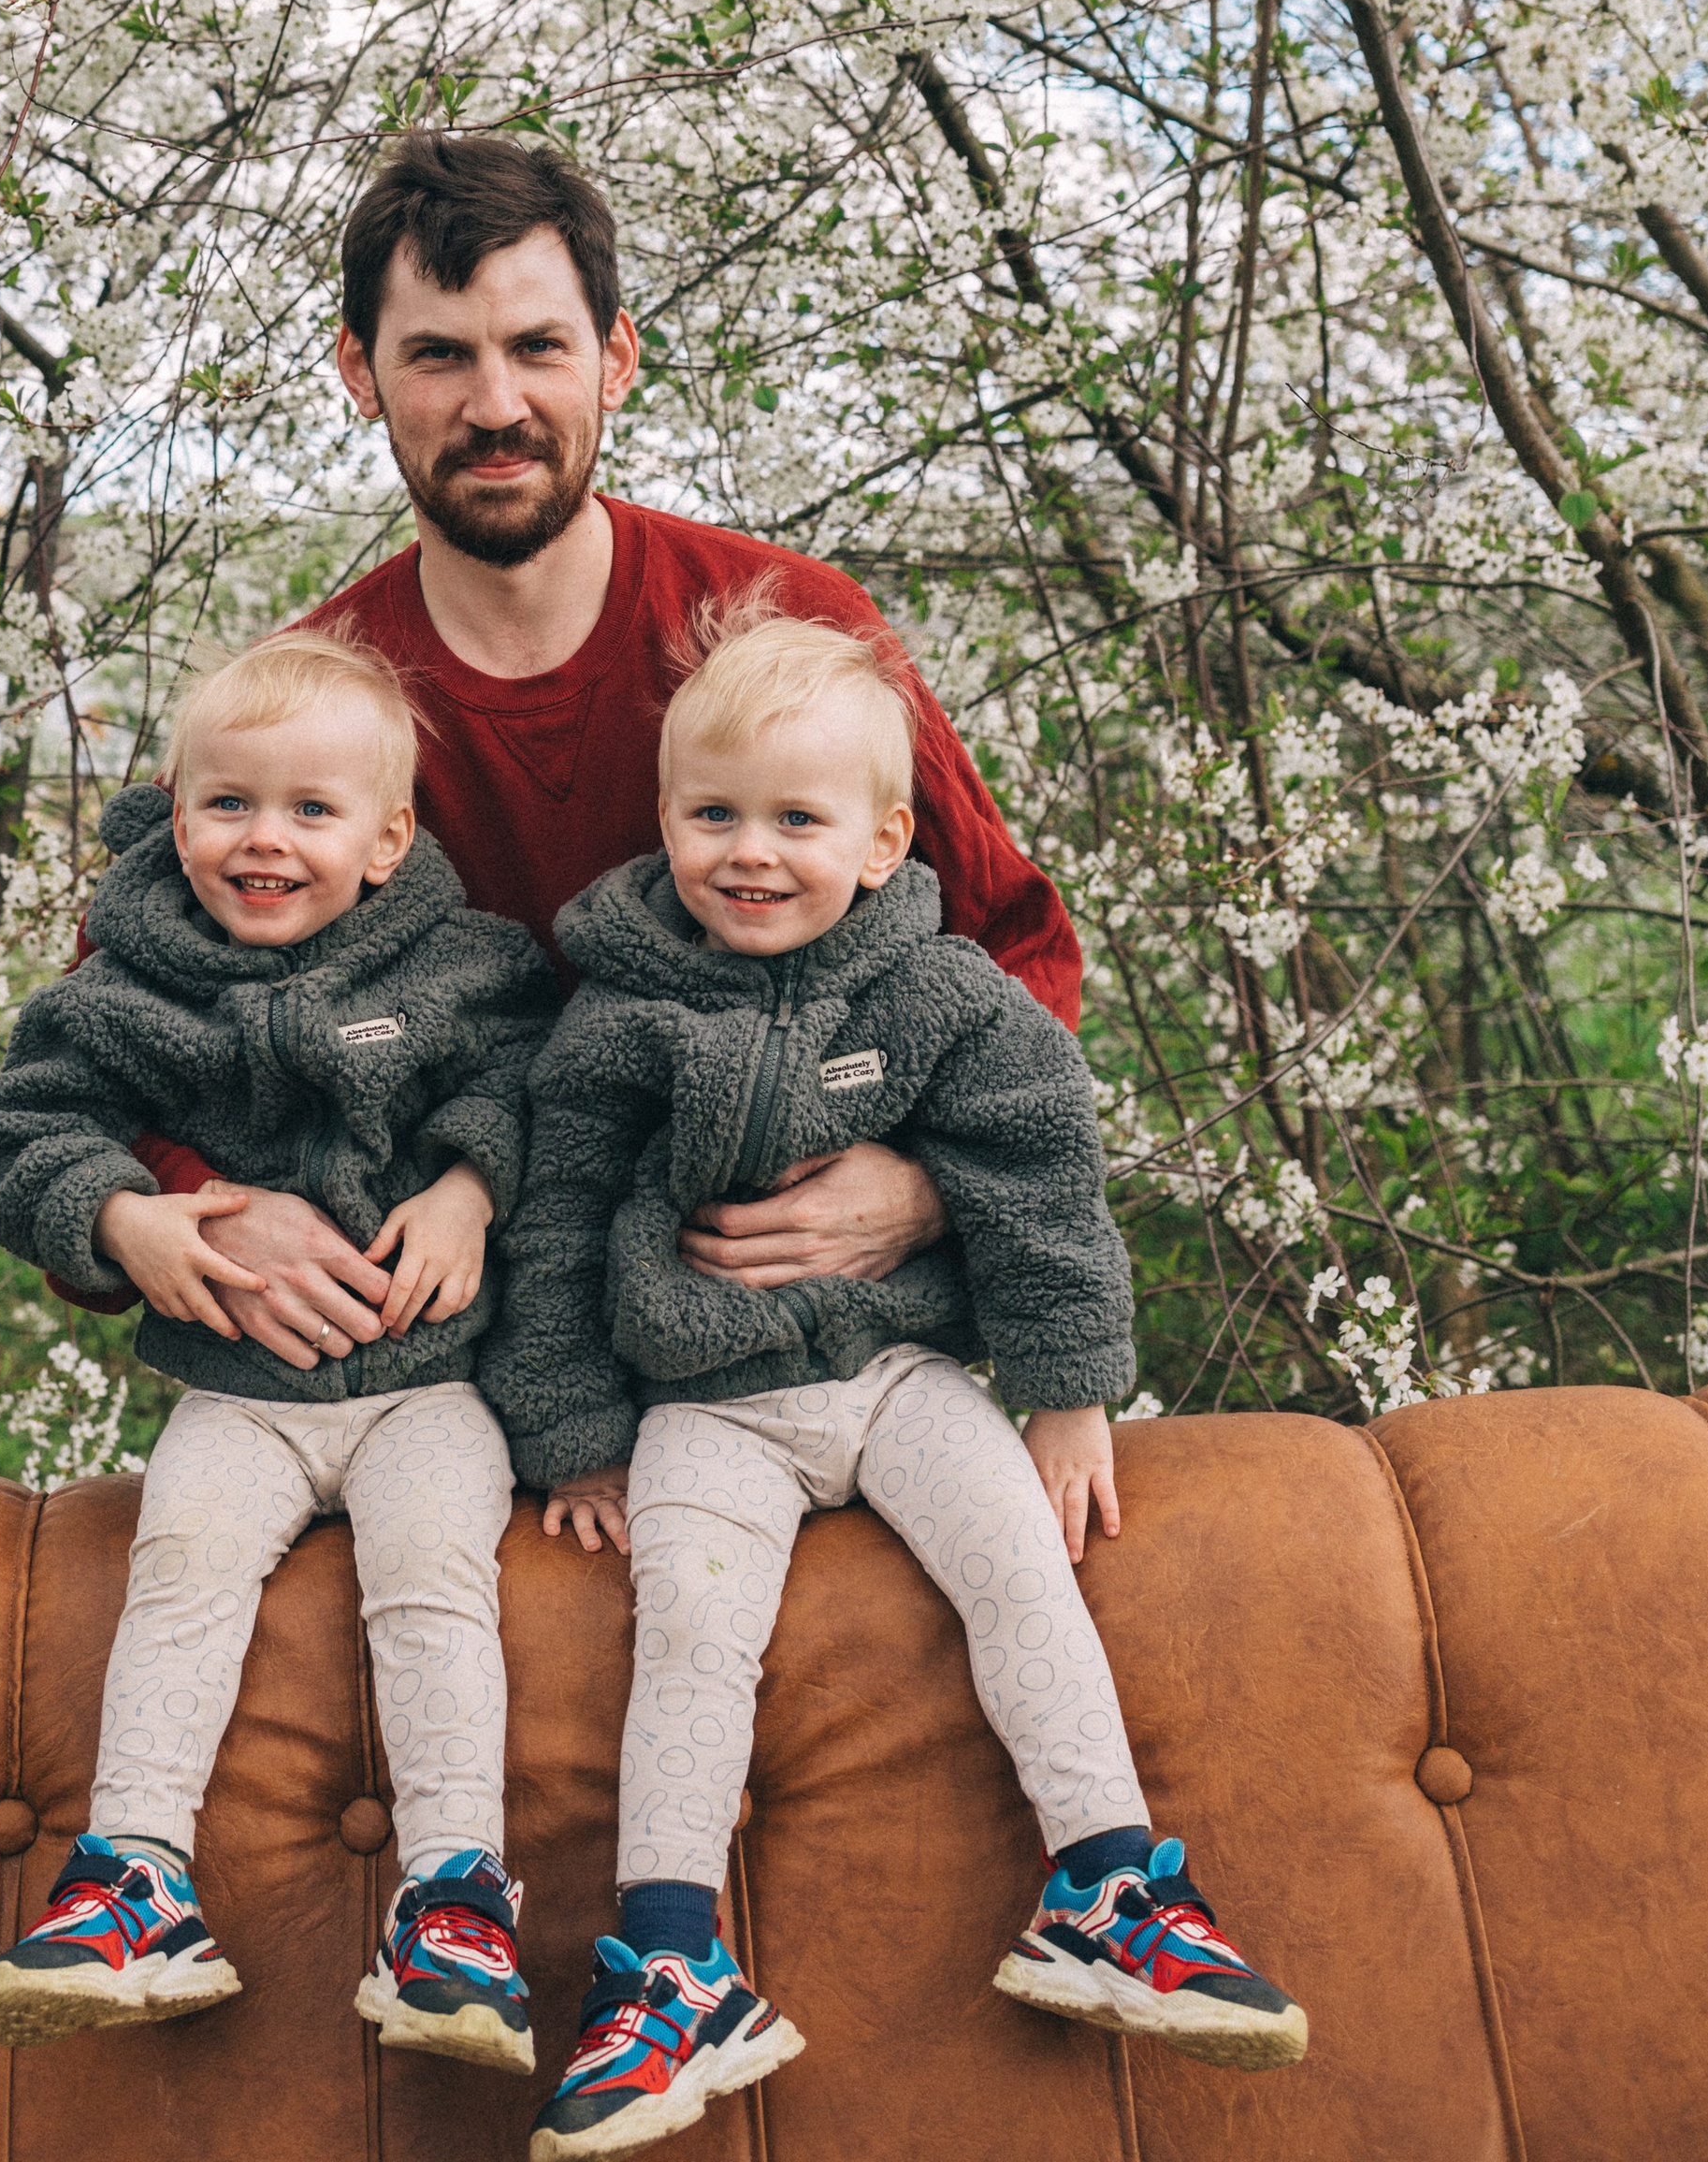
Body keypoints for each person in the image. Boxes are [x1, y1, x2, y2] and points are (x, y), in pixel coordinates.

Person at [483, 612, 1306, 2156]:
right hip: (703, 1409)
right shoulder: (619, 1017)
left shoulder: (939, 996)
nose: (749, 853)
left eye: (797, 820)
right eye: (712, 815)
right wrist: (576, 1438)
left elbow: (1039, 1174)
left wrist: (1067, 1390)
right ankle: (670, 1958)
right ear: (663, 821)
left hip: (900, 1374)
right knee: (691, 1646)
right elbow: (554, 1229)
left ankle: (1109, 1884)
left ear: (880, 841)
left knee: (1020, 1572)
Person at [126, 129, 1088, 1378]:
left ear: (615, 358)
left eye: (538, 348)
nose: (496, 406)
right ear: (360, 372)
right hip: (432, 1375)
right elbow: (115, 1028)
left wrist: (928, 1184)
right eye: (438, 356)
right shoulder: (305, 713)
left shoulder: (796, 630)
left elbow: (1019, 948)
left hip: (783, 1351)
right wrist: (179, 1206)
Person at [0, 629, 557, 2075]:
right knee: (181, 1572)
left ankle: (458, 1897)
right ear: (177, 813)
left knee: (433, 1591)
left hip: (427, 1382)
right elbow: (18, 1128)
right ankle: (134, 1877)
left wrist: (473, 1185)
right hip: (243, 1393)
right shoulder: (134, 988)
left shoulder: (464, 965)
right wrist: (130, 1213)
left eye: (310, 811)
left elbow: (545, 1087)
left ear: (386, 837)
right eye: (228, 806)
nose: (264, 841)